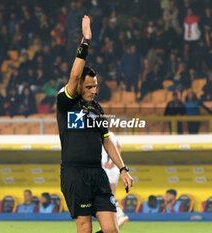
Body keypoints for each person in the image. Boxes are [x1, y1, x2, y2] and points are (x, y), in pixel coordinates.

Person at [56, 15, 133, 233]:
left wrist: (123, 169)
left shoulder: (96, 109)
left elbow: (106, 140)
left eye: (95, 86)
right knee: (85, 229)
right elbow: (74, 74)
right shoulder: (65, 102)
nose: (94, 90)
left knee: (112, 229)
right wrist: (86, 41)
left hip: (97, 174)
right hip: (74, 174)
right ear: (78, 85)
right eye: (89, 87)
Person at [101, 131, 128, 227]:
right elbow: (119, 147)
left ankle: (120, 215)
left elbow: (115, 148)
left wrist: (111, 163)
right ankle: (114, 218)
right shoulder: (111, 134)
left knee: (109, 194)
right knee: (109, 194)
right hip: (112, 169)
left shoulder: (106, 134)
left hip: (109, 169)